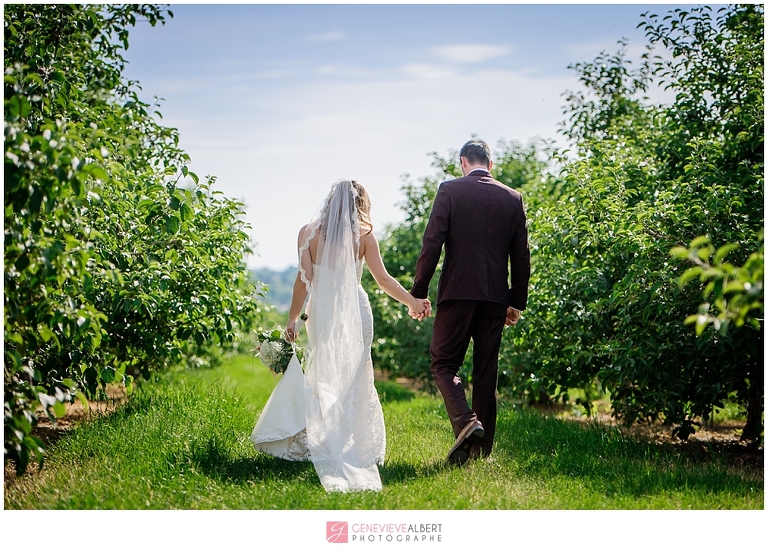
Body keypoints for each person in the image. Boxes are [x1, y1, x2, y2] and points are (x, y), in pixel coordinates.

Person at [251, 179, 431, 492]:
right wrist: (413, 301)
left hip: (321, 313)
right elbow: (383, 280)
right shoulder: (363, 234)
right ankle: (354, 447)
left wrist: (293, 318)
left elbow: (301, 282)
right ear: (360, 204)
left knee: (323, 375)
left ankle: (319, 440)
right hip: (355, 312)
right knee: (356, 376)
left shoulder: (307, 233)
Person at [410, 139, 530, 465]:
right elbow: (521, 256)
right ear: (490, 164)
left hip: (457, 293)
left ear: (463, 162)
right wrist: (516, 301)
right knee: (486, 371)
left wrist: (418, 292)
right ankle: (480, 452)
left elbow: (431, 244)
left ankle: (466, 422)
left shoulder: (450, 190)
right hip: (495, 297)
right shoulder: (512, 198)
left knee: (443, 363)